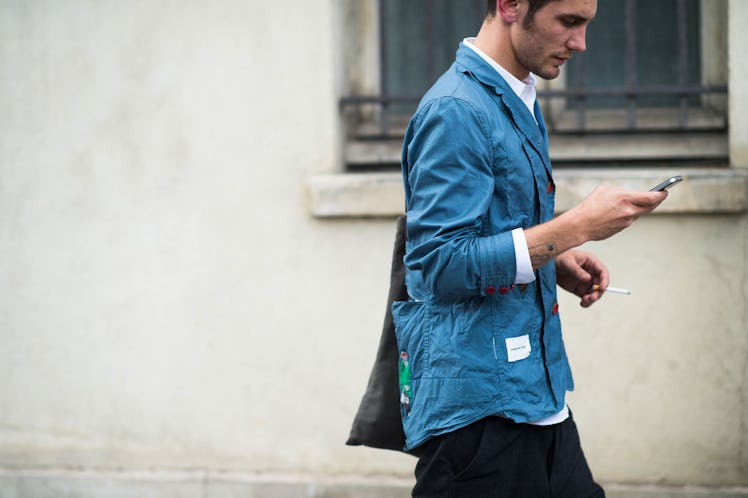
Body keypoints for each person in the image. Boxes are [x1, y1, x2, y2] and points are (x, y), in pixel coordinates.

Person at [392, 0, 668, 496]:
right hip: (478, 421)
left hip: (537, 401)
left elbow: (497, 227)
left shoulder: (517, 93)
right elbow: (439, 265)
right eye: (568, 22)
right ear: (511, 5)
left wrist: (554, 258)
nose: (581, 43)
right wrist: (574, 227)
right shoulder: (456, 109)